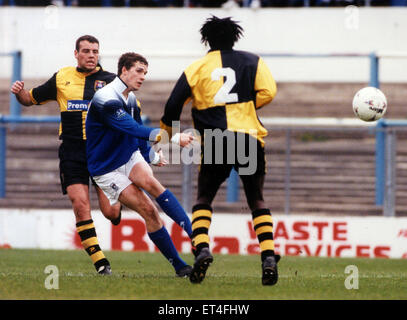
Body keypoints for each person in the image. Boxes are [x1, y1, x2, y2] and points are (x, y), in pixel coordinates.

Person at [160, 16, 281, 285]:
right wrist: (248, 106)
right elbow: (269, 92)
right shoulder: (253, 61)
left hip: (216, 140)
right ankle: (268, 256)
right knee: (256, 199)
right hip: (249, 138)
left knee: (204, 197)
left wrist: (166, 136)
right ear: (235, 37)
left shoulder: (196, 68)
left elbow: (172, 106)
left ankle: (202, 248)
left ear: (207, 40)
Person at [10, 35, 122, 275]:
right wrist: (19, 93)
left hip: (101, 151)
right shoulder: (62, 77)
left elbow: (127, 115)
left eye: (95, 51)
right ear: (76, 54)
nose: (92, 55)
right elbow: (30, 99)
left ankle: (118, 205)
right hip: (72, 150)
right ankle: (101, 262)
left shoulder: (111, 82)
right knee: (80, 204)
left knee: (110, 212)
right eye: (86, 51)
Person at [86, 52, 194, 277]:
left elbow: (136, 135)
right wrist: (173, 138)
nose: (143, 77)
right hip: (106, 169)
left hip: (127, 155)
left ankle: (197, 238)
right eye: (138, 71)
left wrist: (151, 156)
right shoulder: (105, 98)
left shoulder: (131, 99)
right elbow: (134, 129)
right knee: (149, 211)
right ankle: (179, 265)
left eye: (145, 72)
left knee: (151, 183)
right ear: (123, 71)